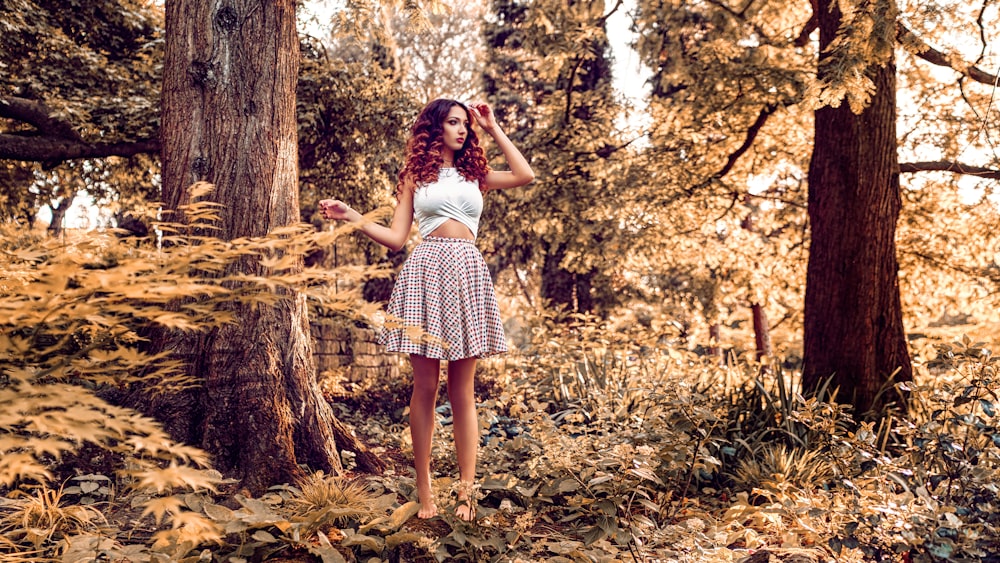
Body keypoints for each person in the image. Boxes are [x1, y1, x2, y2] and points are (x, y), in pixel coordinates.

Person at [319, 99, 534, 521]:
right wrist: (352, 216)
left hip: (467, 271)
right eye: (454, 123)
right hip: (426, 271)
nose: (462, 130)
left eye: (465, 125)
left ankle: (466, 492)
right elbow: (397, 238)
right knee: (425, 386)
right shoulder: (416, 176)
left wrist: (492, 127)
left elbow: (526, 175)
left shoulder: (477, 175)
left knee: (462, 391)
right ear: (434, 128)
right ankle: (425, 491)